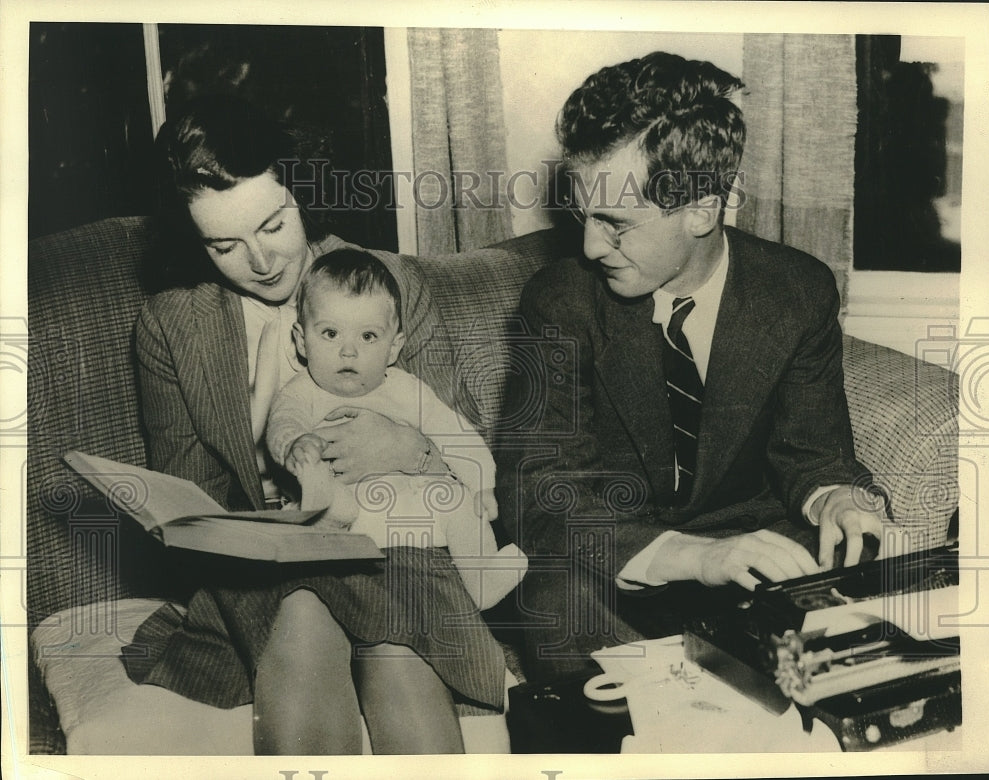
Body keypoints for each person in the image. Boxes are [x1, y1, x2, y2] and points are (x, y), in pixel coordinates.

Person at [122, 95, 505, 754]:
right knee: (301, 611)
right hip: (267, 568)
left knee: (398, 640)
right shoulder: (169, 325)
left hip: (394, 545)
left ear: (302, 193)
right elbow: (189, 494)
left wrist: (409, 449)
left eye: (273, 225)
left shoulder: (385, 284)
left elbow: (468, 456)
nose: (261, 261)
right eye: (224, 244)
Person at [496, 51, 890, 678]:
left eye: (615, 223)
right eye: (583, 216)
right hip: (618, 572)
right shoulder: (559, 301)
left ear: (702, 209)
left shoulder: (798, 292)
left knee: (852, 606)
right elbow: (539, 491)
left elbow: (812, 455)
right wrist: (688, 555)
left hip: (754, 568)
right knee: (553, 600)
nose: (592, 245)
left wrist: (836, 498)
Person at [265, 247, 528, 610]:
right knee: (318, 497)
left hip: (419, 509)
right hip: (352, 514)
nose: (348, 352)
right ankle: (328, 528)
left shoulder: (405, 388)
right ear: (301, 340)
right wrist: (295, 444)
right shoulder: (302, 392)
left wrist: (482, 482)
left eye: (368, 337)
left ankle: (482, 580)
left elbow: (453, 430)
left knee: (463, 505)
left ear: (394, 348)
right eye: (330, 333)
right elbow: (283, 422)